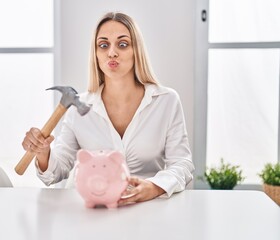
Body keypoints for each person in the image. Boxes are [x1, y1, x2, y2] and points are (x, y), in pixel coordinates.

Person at [22, 12, 194, 205]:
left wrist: (153, 187)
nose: (112, 52)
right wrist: (43, 152)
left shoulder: (166, 101)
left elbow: (182, 164)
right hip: (95, 212)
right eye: (103, 45)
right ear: (95, 54)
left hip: (148, 208)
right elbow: (56, 171)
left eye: (122, 44)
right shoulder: (79, 107)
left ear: (136, 50)